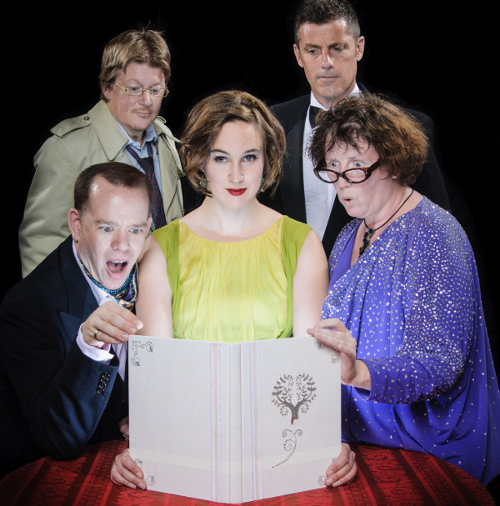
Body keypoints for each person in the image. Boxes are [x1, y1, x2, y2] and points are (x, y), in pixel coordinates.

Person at [110, 90, 356, 489]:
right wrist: (144, 450)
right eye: (221, 158)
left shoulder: (303, 243)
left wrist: (326, 442)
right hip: (187, 448)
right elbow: (158, 376)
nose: (237, 175)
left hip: (279, 450)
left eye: (250, 157)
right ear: (201, 162)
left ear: (268, 159)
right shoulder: (160, 246)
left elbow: (307, 370)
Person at [305, 94, 500, 485]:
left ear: (393, 161)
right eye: (333, 169)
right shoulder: (348, 234)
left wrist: (359, 372)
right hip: (354, 439)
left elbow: (440, 363)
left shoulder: (436, 234)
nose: (342, 184)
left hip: (426, 447)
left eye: (357, 168)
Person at [262, 0, 450, 256]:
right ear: (298, 55)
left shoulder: (408, 127)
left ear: (359, 47)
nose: (326, 62)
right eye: (313, 51)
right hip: (289, 289)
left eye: (337, 48)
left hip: (378, 287)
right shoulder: (271, 124)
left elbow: (438, 227)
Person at [0, 162, 153, 477]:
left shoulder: (154, 281)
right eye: (107, 227)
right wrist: (90, 345)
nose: (122, 245)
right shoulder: (26, 307)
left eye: (135, 229)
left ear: (148, 227)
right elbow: (58, 439)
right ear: (76, 224)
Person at [19, 28, 184, 278]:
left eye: (155, 89)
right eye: (134, 88)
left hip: (165, 298)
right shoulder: (66, 148)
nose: (147, 101)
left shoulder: (165, 139)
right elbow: (41, 244)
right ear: (107, 87)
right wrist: (67, 314)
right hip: (99, 307)